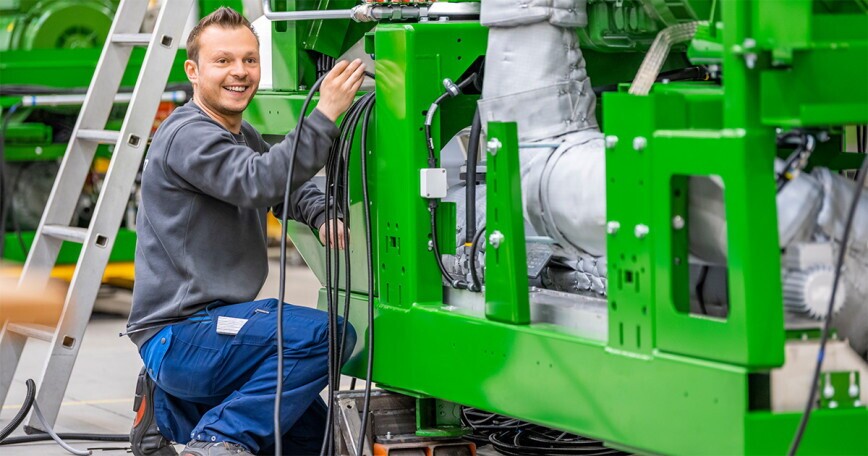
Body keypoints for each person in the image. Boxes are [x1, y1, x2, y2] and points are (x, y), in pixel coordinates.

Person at [125, 7, 363, 456]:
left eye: (250, 60)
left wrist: (318, 211)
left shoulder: (240, 133)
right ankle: (219, 438)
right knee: (328, 335)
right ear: (193, 71)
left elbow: (280, 185)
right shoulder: (188, 135)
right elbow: (258, 181)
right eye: (224, 61)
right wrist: (325, 114)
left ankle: (173, 407)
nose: (240, 72)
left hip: (221, 332)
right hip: (183, 333)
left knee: (321, 441)